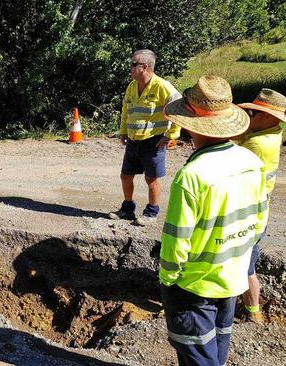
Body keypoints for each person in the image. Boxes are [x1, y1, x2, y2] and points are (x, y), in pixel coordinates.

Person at [160, 75, 268, 366]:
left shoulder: (193, 176)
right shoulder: (251, 162)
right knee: (217, 346)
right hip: (230, 277)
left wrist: (169, 280)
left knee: (197, 355)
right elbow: (258, 222)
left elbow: (176, 239)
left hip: (194, 286)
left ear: (187, 123)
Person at [109, 49, 182, 226]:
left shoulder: (162, 86)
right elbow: (126, 110)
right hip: (133, 140)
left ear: (145, 67)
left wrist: (171, 135)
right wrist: (124, 131)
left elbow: (179, 108)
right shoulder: (132, 86)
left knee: (151, 179)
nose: (130, 68)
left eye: (134, 65)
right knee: (126, 175)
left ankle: (151, 212)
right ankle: (127, 209)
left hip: (153, 141)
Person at [235, 89, 286, 324]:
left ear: (268, 117)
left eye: (253, 113)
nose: (249, 117)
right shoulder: (272, 132)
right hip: (258, 210)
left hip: (247, 213)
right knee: (247, 263)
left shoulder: (256, 144)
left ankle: (252, 313)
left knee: (246, 265)